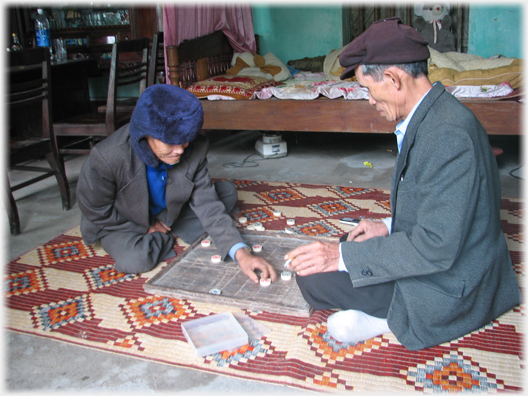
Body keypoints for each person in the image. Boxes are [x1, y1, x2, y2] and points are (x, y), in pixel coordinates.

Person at [284, 17, 521, 351]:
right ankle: (385, 302)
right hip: (448, 248)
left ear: (394, 78)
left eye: (368, 89)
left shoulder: (448, 134)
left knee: (313, 277)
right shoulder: (434, 115)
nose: (369, 100)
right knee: (347, 244)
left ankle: (395, 318)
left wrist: (339, 258)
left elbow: (438, 246)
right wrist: (386, 225)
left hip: (455, 283)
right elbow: (444, 207)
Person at [77, 84, 277, 283]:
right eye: (171, 143)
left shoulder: (194, 149)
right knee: (134, 260)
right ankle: (163, 234)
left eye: (185, 141)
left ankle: (169, 225)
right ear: (146, 133)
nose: (180, 150)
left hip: (167, 210)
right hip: (122, 219)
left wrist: (242, 255)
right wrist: (148, 226)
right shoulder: (107, 157)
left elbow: (207, 203)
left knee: (226, 193)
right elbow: (95, 209)